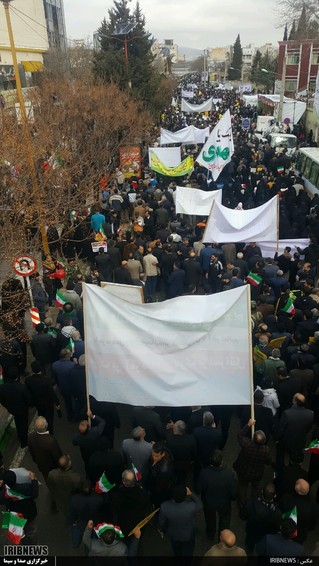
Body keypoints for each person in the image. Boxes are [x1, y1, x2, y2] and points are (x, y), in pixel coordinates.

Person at [196, 449, 237, 540]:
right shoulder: (229, 475)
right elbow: (233, 494)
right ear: (221, 461)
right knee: (224, 521)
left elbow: (198, 489)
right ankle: (222, 537)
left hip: (208, 503)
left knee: (210, 519)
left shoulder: (204, 473)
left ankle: (210, 533)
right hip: (224, 504)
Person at [233, 418, 271, 511]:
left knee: (242, 486)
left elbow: (240, 435)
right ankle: (255, 503)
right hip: (257, 473)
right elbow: (268, 461)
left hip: (243, 470)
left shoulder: (247, 444)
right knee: (255, 487)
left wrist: (248, 425)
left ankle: (242, 504)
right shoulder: (265, 450)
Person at [159, 485, 202, 561]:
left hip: (173, 534)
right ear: (185, 495)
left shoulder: (164, 506)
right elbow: (199, 503)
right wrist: (191, 494)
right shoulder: (191, 507)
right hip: (188, 534)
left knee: (176, 550)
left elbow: (161, 522)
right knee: (188, 551)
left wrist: (165, 529)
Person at [277, 393, 314, 468]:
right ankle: (292, 467)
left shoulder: (287, 413)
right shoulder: (310, 414)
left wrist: (277, 438)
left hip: (286, 440)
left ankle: (279, 467)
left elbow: (281, 428)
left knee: (280, 454)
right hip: (299, 440)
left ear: (295, 402)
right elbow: (309, 428)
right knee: (295, 456)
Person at [0, 366, 32, 448]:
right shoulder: (22, 387)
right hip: (22, 409)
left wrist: (7, 406)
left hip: (12, 409)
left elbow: (2, 400)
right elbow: (28, 400)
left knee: (18, 423)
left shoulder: (2, 388)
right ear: (17, 376)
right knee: (23, 424)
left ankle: (20, 436)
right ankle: (24, 441)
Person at [245, 482, 282, 553]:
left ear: (262, 492)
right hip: (265, 537)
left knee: (249, 546)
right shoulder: (277, 513)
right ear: (275, 496)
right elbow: (276, 528)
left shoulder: (250, 502)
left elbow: (243, 516)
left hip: (251, 531)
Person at [25, 361, 60, 434]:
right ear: (40, 369)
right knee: (49, 419)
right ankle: (50, 432)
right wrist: (57, 403)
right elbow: (52, 393)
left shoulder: (28, 380)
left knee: (41, 415)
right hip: (48, 403)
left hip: (37, 403)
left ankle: (42, 429)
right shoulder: (46, 380)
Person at [28, 416, 62, 484]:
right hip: (53, 467)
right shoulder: (51, 441)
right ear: (46, 425)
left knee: (48, 480)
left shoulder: (30, 437)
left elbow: (32, 453)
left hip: (42, 466)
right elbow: (58, 456)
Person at [73, 410, 106, 476]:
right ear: (89, 428)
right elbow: (103, 422)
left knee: (87, 465)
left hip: (85, 454)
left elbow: (74, 443)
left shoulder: (77, 438)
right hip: (96, 452)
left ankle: (88, 476)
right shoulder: (95, 432)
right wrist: (92, 416)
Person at [166, 420, 197, 484]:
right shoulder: (191, 439)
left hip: (173, 464)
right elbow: (194, 453)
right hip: (186, 464)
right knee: (183, 478)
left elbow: (168, 454)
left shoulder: (170, 440)